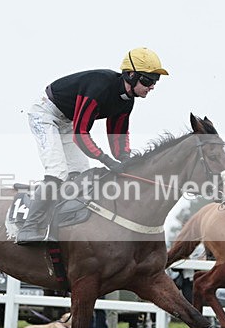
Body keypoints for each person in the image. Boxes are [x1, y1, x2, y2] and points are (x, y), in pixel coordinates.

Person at [16, 47, 168, 245]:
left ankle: (57, 221)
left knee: (79, 174)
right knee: (57, 171)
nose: (152, 87)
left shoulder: (127, 102)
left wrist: (126, 159)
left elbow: (118, 136)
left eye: (155, 81)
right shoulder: (100, 87)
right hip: (45, 115)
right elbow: (81, 134)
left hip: (67, 122)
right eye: (147, 80)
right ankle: (29, 227)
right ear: (131, 75)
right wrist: (105, 159)